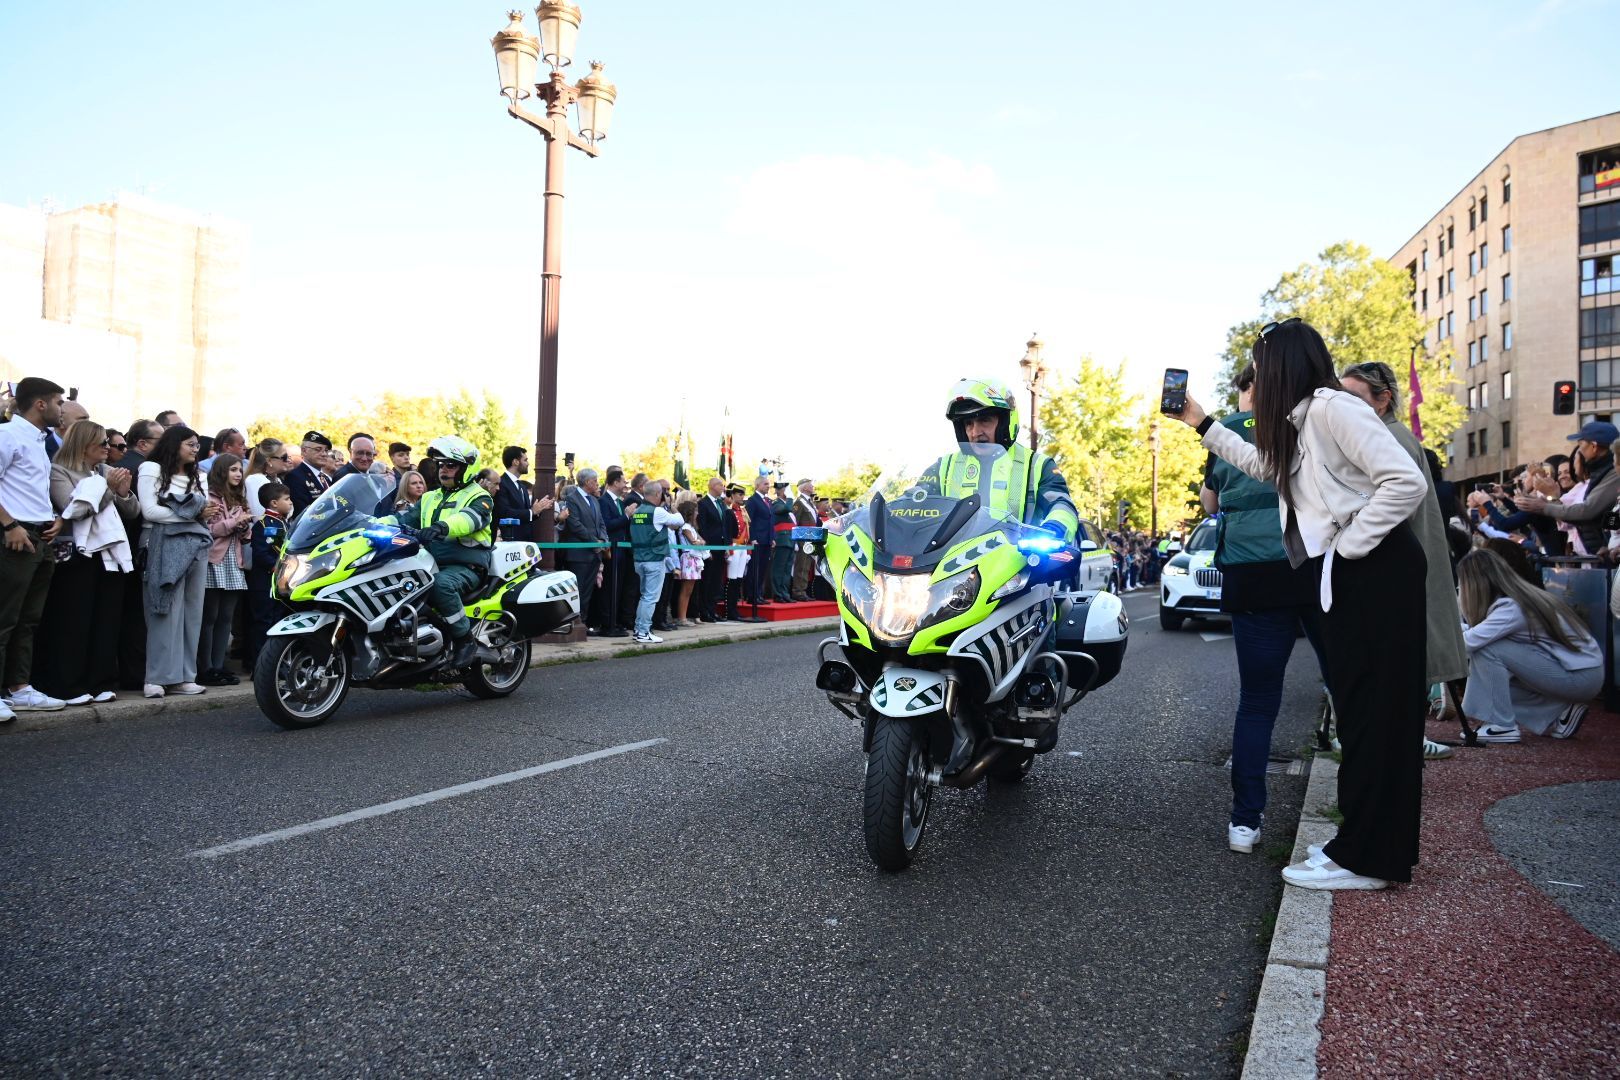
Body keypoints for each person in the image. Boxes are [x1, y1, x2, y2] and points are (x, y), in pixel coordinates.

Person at [1173, 318, 1429, 892]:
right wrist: (1201, 422)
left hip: (1374, 569)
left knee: (1374, 714)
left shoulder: (1333, 409)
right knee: (1366, 713)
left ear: (1283, 367)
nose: (1256, 380)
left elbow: (1405, 482)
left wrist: (1346, 548)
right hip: (1360, 570)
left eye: (1261, 369)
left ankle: (1367, 858)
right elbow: (1268, 468)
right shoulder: (1304, 418)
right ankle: (1363, 846)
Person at [1197, 363, 1327, 853]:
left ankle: (1245, 821)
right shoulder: (1306, 420)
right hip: (1311, 564)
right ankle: (1359, 806)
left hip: (1251, 574)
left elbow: (1211, 504)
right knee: (1344, 682)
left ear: (1250, 389)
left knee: (1257, 701)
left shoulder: (1225, 430)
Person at [1338, 361, 1468, 757]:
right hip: (1407, 566)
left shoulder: (1389, 438)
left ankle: (1400, 750)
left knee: (1394, 670)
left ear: (1383, 400)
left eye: (1355, 396)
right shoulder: (1389, 434)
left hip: (1398, 571)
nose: (1345, 405)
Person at [36, 420, 137, 705]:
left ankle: (99, 681)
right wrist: (107, 487)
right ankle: (67, 684)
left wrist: (123, 491)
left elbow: (131, 510)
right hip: (77, 555)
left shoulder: (105, 472)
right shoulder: (59, 471)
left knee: (105, 620)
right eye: (103, 443)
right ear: (84, 444)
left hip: (110, 556)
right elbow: (74, 510)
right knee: (74, 621)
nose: (108, 448)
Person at [379, 436, 498, 668]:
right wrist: (371, 523)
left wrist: (441, 528)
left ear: (466, 467)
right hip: (428, 562)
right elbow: (403, 518)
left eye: (450, 465)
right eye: (441, 465)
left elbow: (469, 520)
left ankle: (465, 640)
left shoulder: (479, 496)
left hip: (465, 566)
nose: (443, 470)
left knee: (440, 585)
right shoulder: (430, 497)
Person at [1458, 548, 1600, 742]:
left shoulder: (1512, 608)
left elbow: (1470, 642)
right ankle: (1560, 711)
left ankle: (1503, 726)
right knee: (1492, 682)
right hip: (1581, 672)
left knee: (1488, 649)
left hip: (1580, 676)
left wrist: (1436, 634)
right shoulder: (1518, 600)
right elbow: (1477, 632)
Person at [0, 376, 70, 718]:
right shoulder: (7, 435)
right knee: (4, 617)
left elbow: (27, 490)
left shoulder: (38, 442)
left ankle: (19, 688)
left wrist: (54, 517)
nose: (62, 409)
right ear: (40, 403)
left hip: (39, 538)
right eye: (58, 402)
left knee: (28, 619)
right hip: (14, 538)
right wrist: (10, 526)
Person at [137, 425, 217, 698]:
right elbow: (149, 510)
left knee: (192, 612)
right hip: (162, 541)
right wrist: (191, 514)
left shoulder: (199, 476)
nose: (196, 450)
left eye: (197, 445)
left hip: (195, 543)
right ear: (175, 444)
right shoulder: (152, 468)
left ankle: (185, 676)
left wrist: (194, 513)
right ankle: (157, 677)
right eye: (190, 445)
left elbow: (204, 511)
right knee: (163, 609)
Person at [1513, 421, 1620, 554]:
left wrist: (1545, 503)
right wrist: (1608, 544)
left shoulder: (1611, 475)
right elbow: (1577, 517)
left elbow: (1585, 511)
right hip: (1596, 557)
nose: (1579, 452)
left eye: (1580, 445)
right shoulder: (1599, 476)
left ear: (1594, 446)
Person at [197, 453, 252, 686]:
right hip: (213, 559)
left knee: (226, 618)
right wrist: (232, 523)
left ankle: (219, 666)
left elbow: (246, 537)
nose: (238, 474)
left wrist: (245, 527)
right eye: (232, 470)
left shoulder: (239, 499)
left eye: (240, 470)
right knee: (209, 616)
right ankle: (205, 668)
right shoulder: (209, 497)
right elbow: (207, 529)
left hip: (234, 560)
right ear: (221, 472)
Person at [245, 481, 292, 671]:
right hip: (264, 582)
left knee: (276, 620)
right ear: (273, 503)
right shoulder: (264, 524)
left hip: (279, 582)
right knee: (262, 622)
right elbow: (262, 553)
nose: (290, 503)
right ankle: (258, 665)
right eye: (287, 499)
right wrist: (278, 568)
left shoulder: (283, 522)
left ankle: (274, 663)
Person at [628, 481, 683, 643]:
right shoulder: (657, 511)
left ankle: (640, 630)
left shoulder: (637, 511)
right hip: (654, 560)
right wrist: (671, 505)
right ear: (658, 494)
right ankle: (643, 631)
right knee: (650, 598)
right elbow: (679, 520)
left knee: (644, 597)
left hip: (639, 560)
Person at [560, 468, 607, 634]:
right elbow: (575, 525)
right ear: (587, 482)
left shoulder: (594, 500)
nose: (597, 484)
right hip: (579, 554)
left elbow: (600, 523)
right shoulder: (572, 499)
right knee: (577, 590)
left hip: (594, 553)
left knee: (587, 591)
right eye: (595, 481)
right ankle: (574, 624)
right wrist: (594, 541)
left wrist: (603, 540)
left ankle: (583, 624)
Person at [594, 467, 633, 636]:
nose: (625, 484)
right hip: (612, 550)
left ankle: (614, 621)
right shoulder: (604, 501)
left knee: (618, 587)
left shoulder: (619, 502)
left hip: (622, 550)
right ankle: (606, 623)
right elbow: (608, 525)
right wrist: (626, 516)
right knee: (609, 587)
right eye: (623, 481)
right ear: (615, 482)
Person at [696, 476, 735, 619]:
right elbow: (703, 528)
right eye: (721, 485)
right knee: (708, 580)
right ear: (712, 486)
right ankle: (704, 611)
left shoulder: (721, 504)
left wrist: (726, 547)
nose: (723, 488)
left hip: (720, 547)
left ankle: (712, 610)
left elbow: (725, 526)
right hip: (710, 548)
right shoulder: (703, 504)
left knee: (717, 581)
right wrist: (706, 549)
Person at [673, 499, 705, 626]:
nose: (697, 513)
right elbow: (694, 541)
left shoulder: (691, 527)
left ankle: (684, 616)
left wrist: (701, 541)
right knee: (685, 590)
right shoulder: (685, 527)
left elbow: (702, 540)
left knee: (689, 590)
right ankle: (682, 618)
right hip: (688, 558)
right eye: (695, 511)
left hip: (694, 558)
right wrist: (700, 542)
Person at [746, 475, 777, 608]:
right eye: (765, 484)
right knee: (755, 568)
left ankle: (758, 594)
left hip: (767, 539)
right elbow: (749, 521)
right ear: (757, 485)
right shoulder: (753, 501)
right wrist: (752, 538)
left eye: (768, 484)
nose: (768, 486)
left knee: (763, 568)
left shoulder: (768, 501)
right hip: (757, 539)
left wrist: (773, 538)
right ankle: (751, 595)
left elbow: (771, 521)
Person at [285, 430, 333, 516]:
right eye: (318, 449)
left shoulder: (325, 478)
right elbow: (302, 512)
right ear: (304, 451)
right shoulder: (295, 477)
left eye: (326, 450)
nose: (324, 454)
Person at [243, 438, 291, 517]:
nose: (288, 460)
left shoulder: (276, 479)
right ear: (269, 461)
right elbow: (260, 516)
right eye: (284, 457)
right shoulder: (255, 480)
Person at [788, 479, 818, 601]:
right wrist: (796, 541)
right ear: (804, 488)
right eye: (811, 485)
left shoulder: (809, 502)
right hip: (802, 538)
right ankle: (798, 591)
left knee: (806, 566)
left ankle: (803, 590)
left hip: (810, 537)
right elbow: (795, 521)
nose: (813, 486)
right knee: (801, 565)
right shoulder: (799, 503)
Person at [769, 480, 794, 601]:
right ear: (780, 490)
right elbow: (787, 508)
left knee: (787, 569)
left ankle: (785, 593)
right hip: (782, 539)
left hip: (790, 539)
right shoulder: (776, 503)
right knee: (779, 569)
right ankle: (778, 594)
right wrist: (790, 497)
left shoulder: (783, 503)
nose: (788, 492)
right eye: (785, 489)